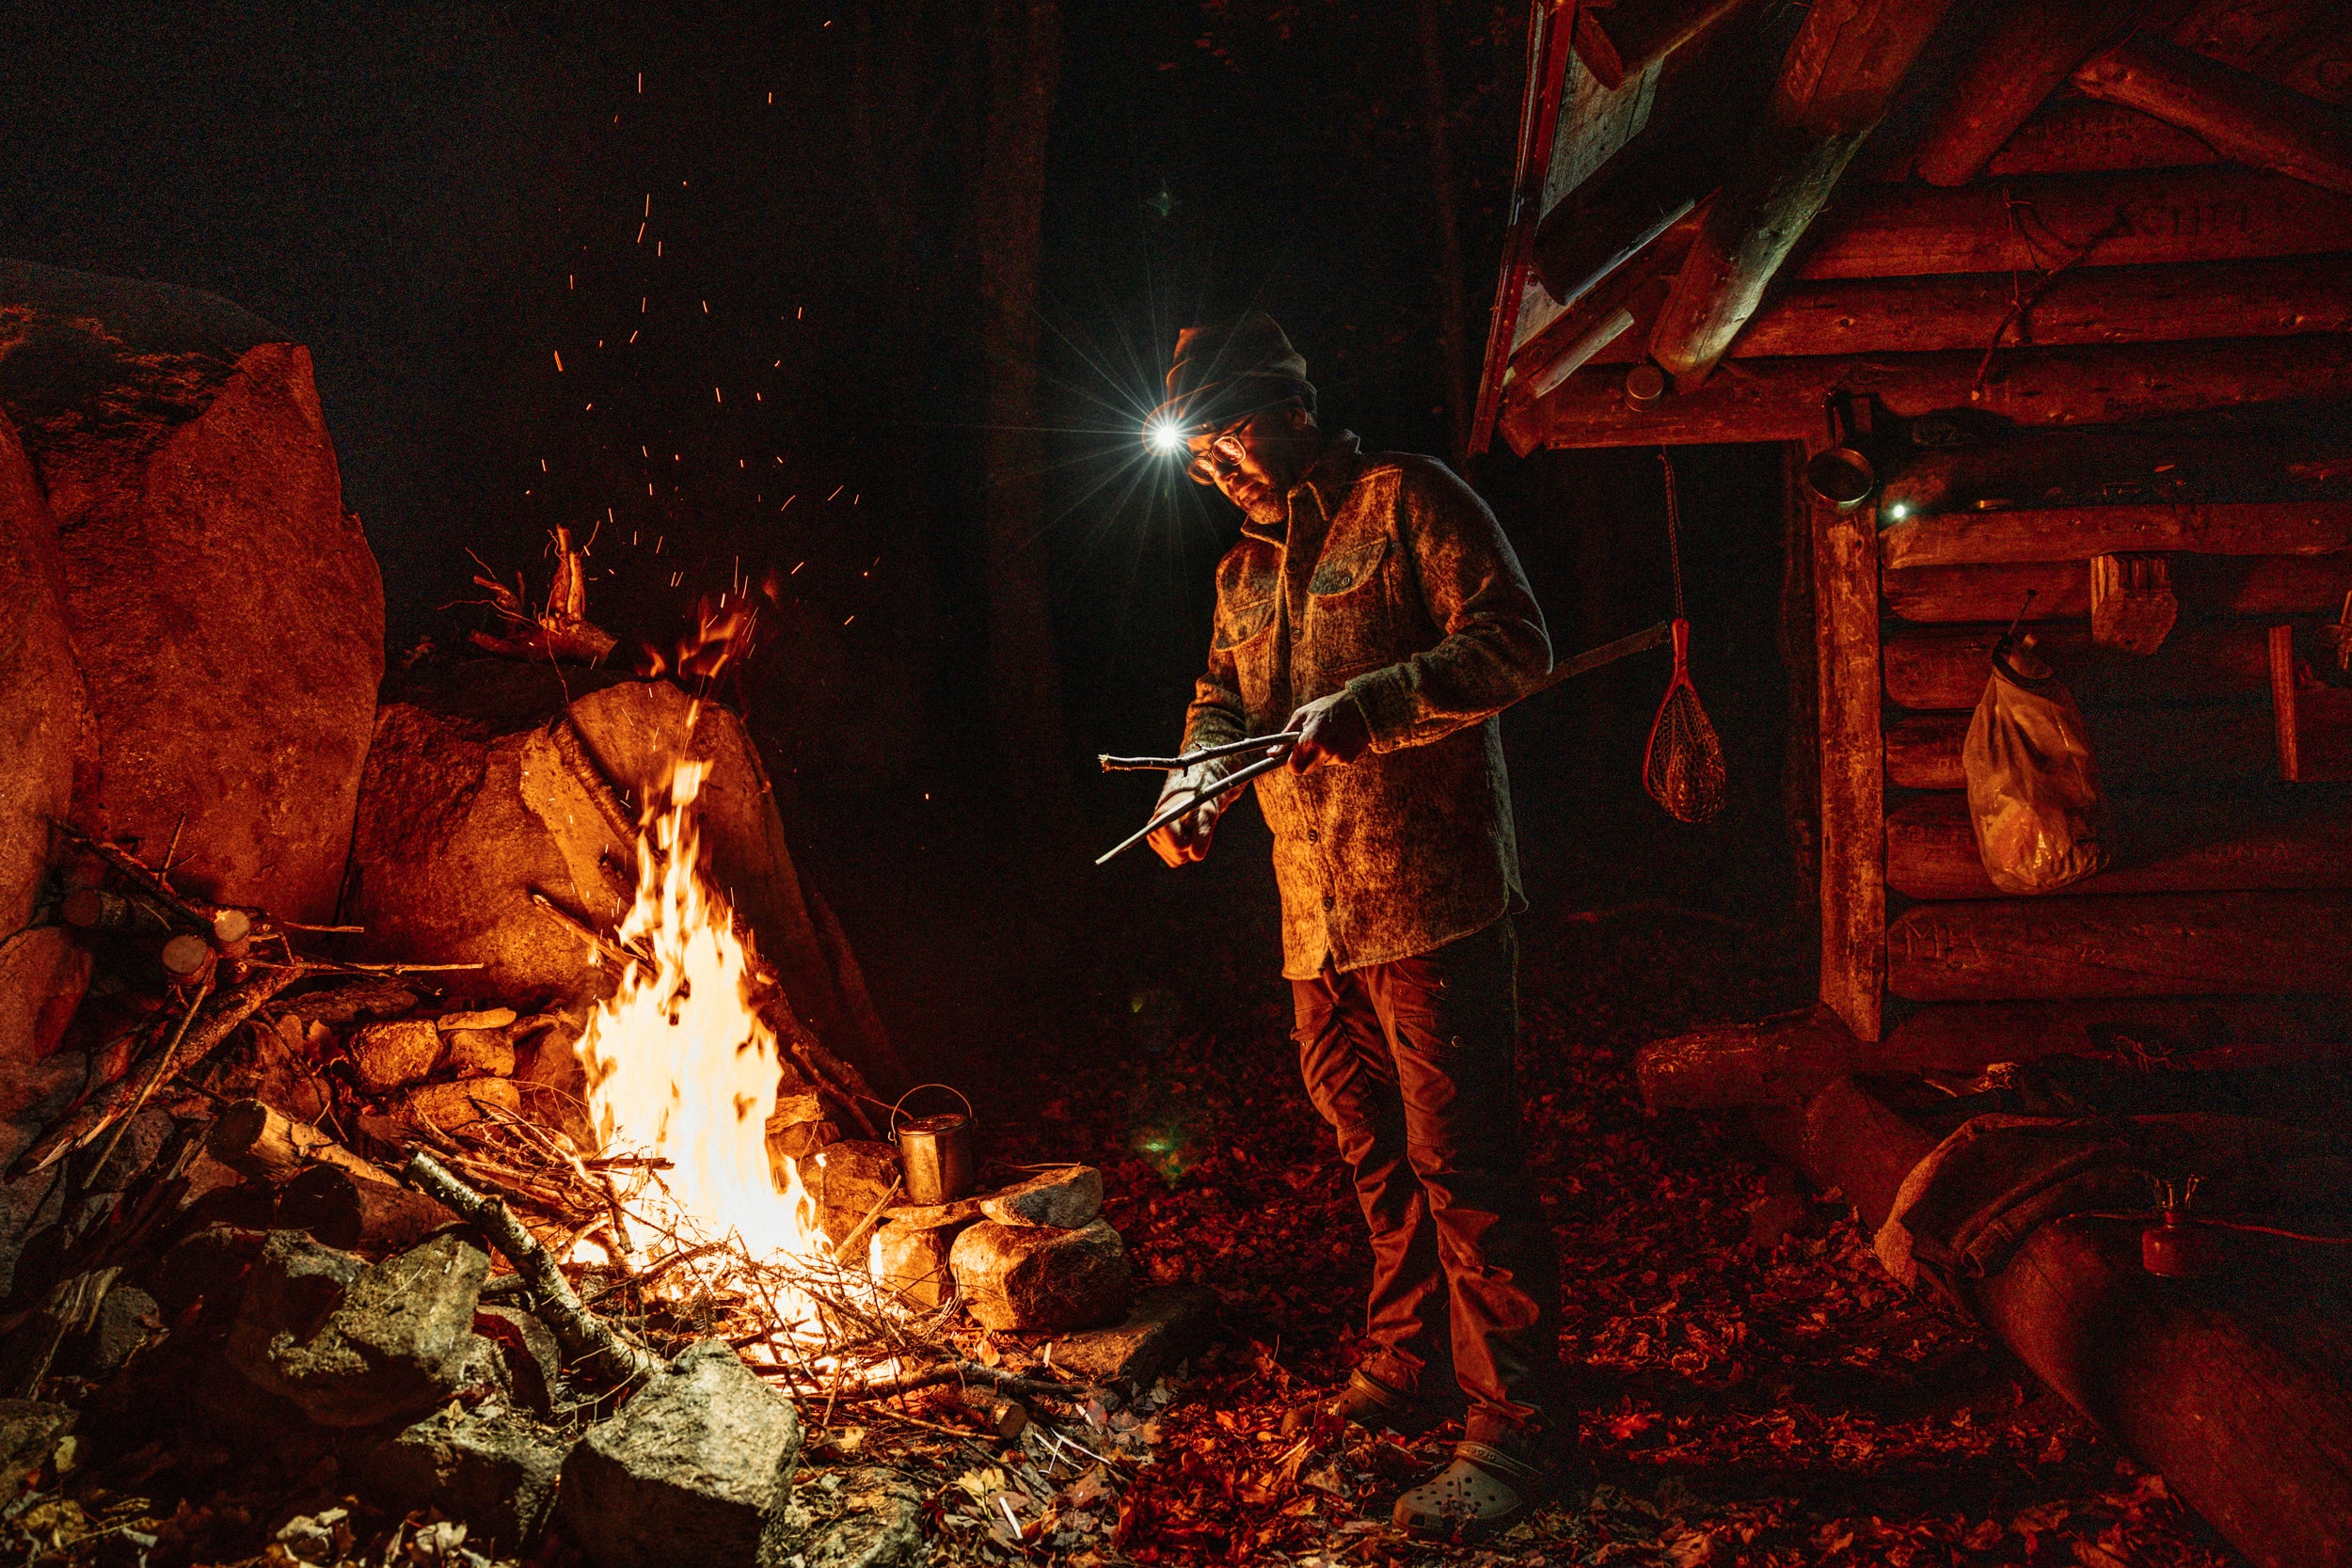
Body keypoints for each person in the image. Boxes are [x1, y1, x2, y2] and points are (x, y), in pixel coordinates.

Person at [1140, 313, 1565, 1542]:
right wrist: (1195, 780)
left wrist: (1374, 704)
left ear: (1286, 407)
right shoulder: (1242, 574)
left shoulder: (1406, 500)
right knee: (1372, 1152)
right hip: (1315, 919)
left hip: (1430, 897)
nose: (1217, 473)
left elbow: (1514, 645)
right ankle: (1409, 1359)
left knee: (1463, 1159)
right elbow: (1224, 702)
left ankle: (1521, 1427)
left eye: (1226, 440)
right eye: (1199, 462)